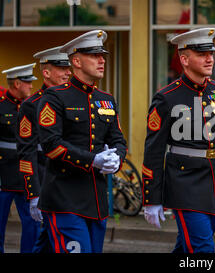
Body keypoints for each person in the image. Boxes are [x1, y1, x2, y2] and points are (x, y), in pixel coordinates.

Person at [142, 27, 215, 253]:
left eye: (211, 53)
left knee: (187, 247)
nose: (210, 58)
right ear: (184, 59)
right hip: (183, 183)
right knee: (203, 248)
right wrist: (151, 197)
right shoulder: (167, 97)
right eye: (202, 54)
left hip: (213, 182)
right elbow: (154, 151)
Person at [37, 30, 127, 253]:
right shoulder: (55, 97)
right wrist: (93, 160)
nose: (102, 60)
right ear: (76, 61)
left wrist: (117, 159)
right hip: (64, 198)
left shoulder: (106, 100)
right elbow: (51, 144)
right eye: (95, 56)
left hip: (96, 201)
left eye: (102, 55)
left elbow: (117, 139)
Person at [16, 46, 72, 253]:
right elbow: (26, 151)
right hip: (46, 178)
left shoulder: (73, 100)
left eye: (69, 68)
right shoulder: (31, 105)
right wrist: (33, 193)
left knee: (50, 238)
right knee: (55, 236)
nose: (68, 72)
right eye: (62, 68)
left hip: (70, 180)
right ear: (46, 72)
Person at [0, 63, 40, 253]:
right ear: (17, 83)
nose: (31, 86)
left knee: (33, 225)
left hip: (26, 176)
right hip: (3, 178)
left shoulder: (33, 107)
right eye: (27, 82)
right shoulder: (1, 107)